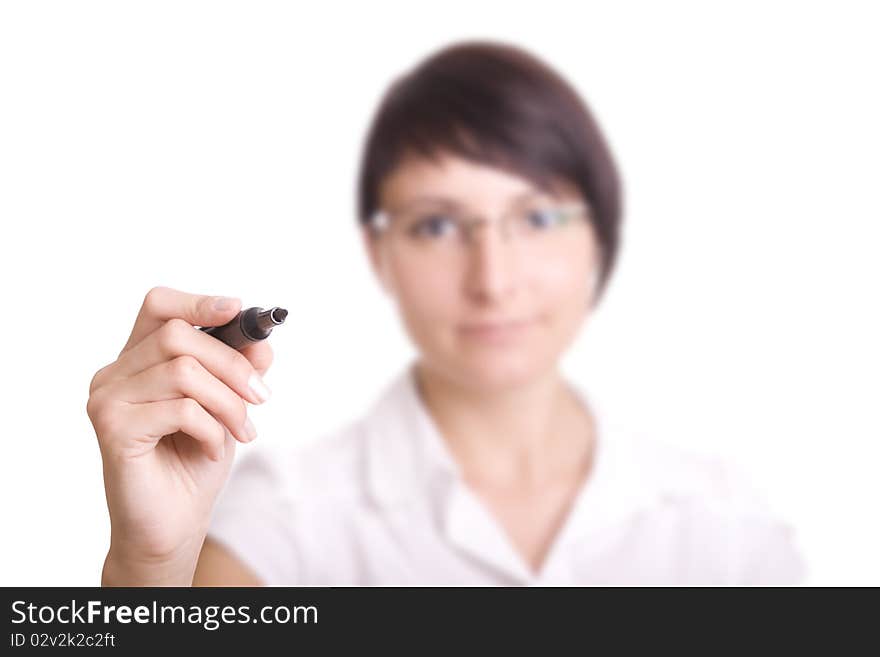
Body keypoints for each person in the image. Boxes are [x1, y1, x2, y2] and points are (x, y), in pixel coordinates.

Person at [87, 40, 806, 586]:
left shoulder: (728, 528)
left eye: (538, 217)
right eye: (436, 225)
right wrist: (147, 565)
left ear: (601, 236)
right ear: (379, 251)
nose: (492, 280)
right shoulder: (279, 528)